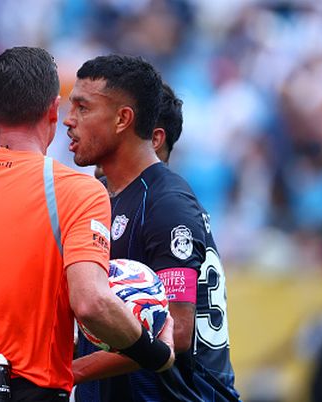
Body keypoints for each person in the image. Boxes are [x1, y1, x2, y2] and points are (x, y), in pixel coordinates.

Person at [0, 46, 174, 402]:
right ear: (54, 109)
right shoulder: (80, 191)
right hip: (29, 391)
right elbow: (91, 303)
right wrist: (156, 354)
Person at [65, 54, 241, 401]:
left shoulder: (166, 203)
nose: (69, 121)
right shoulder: (104, 199)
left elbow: (174, 332)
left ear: (123, 119)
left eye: (83, 108)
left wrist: (70, 372)